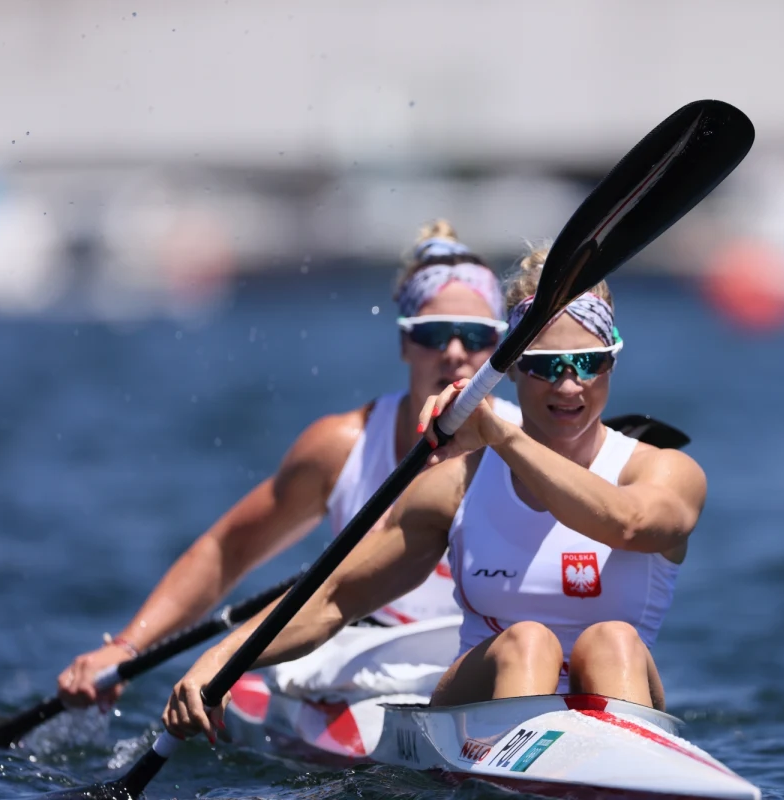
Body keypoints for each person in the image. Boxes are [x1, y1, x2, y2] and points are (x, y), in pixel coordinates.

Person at [163, 243, 707, 744]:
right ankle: (505, 777)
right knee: (528, 642)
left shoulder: (665, 472)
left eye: (589, 362)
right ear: (512, 368)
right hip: (483, 693)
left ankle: (631, 774)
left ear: (612, 360)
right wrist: (222, 659)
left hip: (613, 683)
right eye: (545, 366)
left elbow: (628, 524)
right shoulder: (454, 485)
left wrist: (503, 437)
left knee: (614, 641)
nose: (568, 385)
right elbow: (333, 599)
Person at [58, 221, 520, 709]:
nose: (454, 353)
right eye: (432, 334)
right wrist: (127, 647)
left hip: (489, 657)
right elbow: (228, 550)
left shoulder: (529, 444)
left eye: (475, 335)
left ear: (499, 349)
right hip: (367, 659)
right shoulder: (342, 446)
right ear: (404, 343)